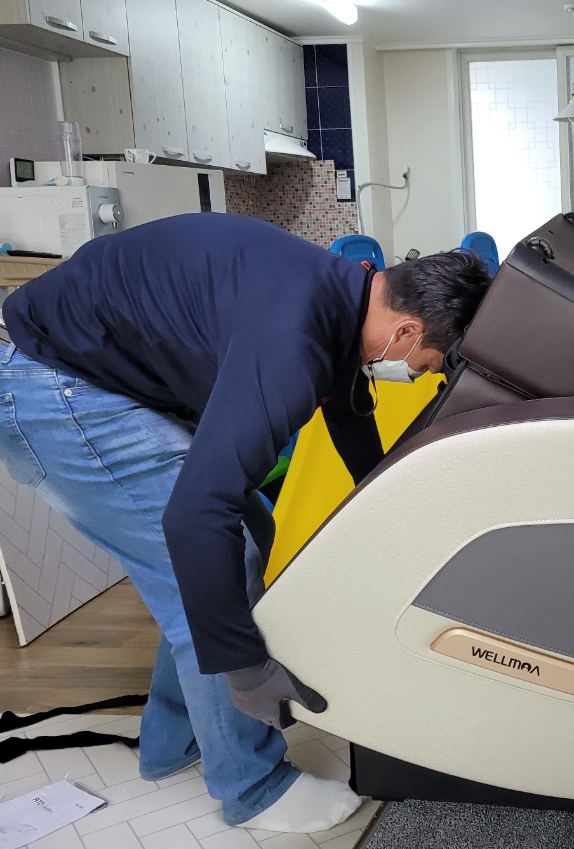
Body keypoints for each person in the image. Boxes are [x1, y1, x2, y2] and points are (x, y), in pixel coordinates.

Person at [0, 213, 490, 833]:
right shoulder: (293, 341)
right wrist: (247, 668)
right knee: (218, 557)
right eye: (430, 363)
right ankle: (253, 787)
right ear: (407, 329)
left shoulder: (343, 294)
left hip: (86, 373)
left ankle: (176, 740)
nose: (421, 374)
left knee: (254, 533)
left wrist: (389, 510)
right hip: (52, 387)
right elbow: (194, 519)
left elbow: (349, 413)